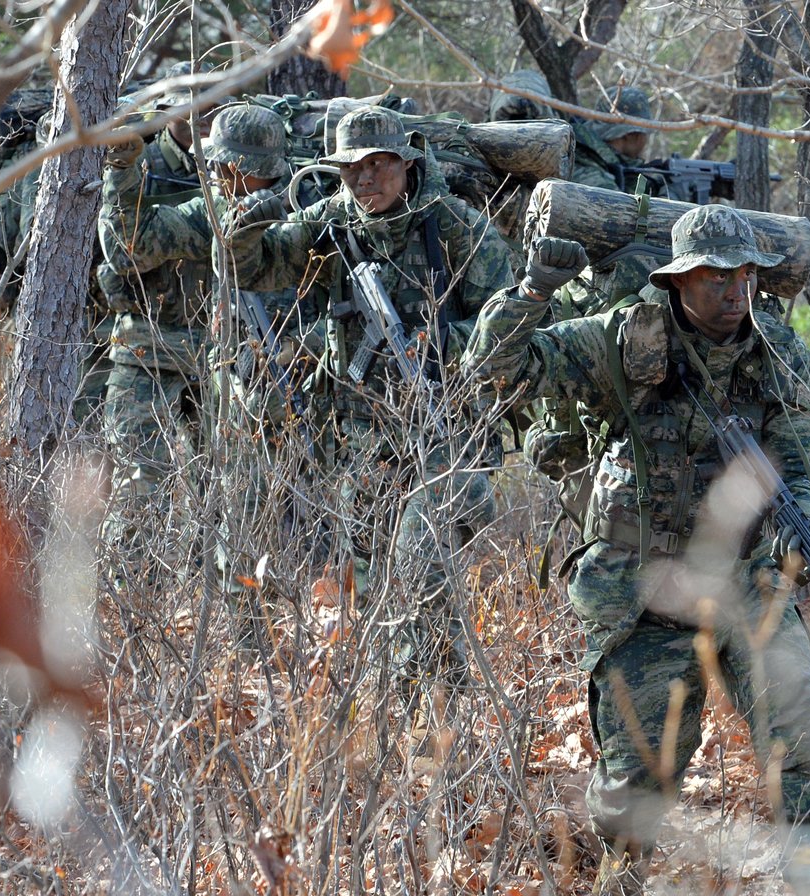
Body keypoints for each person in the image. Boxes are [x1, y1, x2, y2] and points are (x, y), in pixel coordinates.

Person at [463, 205, 810, 896]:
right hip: (644, 584)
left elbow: (806, 459)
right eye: (713, 277)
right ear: (678, 281)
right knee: (642, 773)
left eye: (743, 274)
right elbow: (496, 371)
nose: (733, 291)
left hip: (746, 580)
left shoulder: (781, 355)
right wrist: (528, 294)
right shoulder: (624, 340)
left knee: (804, 736)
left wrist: (808, 529)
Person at [222, 105, 516, 685]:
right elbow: (251, 270)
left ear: (406, 164)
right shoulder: (330, 220)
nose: (365, 180)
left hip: (443, 428)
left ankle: (441, 698)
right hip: (360, 433)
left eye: (379, 165)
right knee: (373, 574)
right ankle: (395, 707)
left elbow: (505, 322)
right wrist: (248, 223)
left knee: (422, 564)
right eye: (352, 168)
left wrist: (436, 343)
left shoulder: (453, 224)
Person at [96, 102, 319, 600]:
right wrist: (124, 169)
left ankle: (242, 622)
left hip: (235, 366)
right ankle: (128, 609)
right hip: (150, 352)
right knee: (140, 484)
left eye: (234, 171)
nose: (222, 177)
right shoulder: (210, 208)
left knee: (239, 493)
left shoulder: (301, 211)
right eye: (218, 169)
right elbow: (128, 247)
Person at [96, 69, 228, 581]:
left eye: (211, 107)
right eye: (188, 108)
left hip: (220, 348)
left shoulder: (240, 164)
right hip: (145, 344)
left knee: (222, 483)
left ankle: (213, 595)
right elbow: (111, 256)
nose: (200, 118)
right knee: (139, 482)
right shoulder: (136, 166)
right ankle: (127, 597)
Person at [0, 112, 114, 429]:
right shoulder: (37, 183)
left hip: (88, 312)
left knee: (83, 406)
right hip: (61, 313)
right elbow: (32, 245)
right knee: (72, 410)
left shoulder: (37, 175)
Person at [570, 85, 664, 197]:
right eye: (644, 134)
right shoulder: (589, 171)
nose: (645, 140)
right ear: (630, 135)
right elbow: (619, 211)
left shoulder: (600, 160)